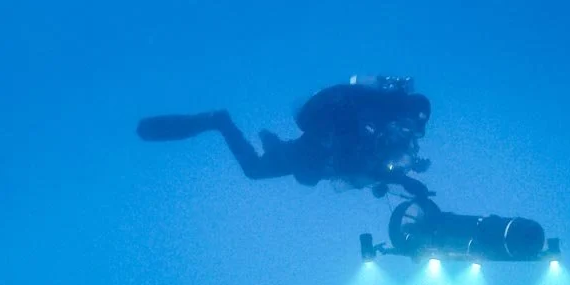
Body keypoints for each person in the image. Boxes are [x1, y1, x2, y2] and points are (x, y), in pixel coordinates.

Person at [136, 75, 433, 198]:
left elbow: (362, 165)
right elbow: (349, 163)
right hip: (311, 155)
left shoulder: (373, 125)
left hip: (312, 156)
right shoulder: (356, 116)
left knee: (258, 170)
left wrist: (398, 174)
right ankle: (225, 123)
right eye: (408, 126)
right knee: (259, 169)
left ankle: (251, 135)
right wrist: (400, 179)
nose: (407, 134)